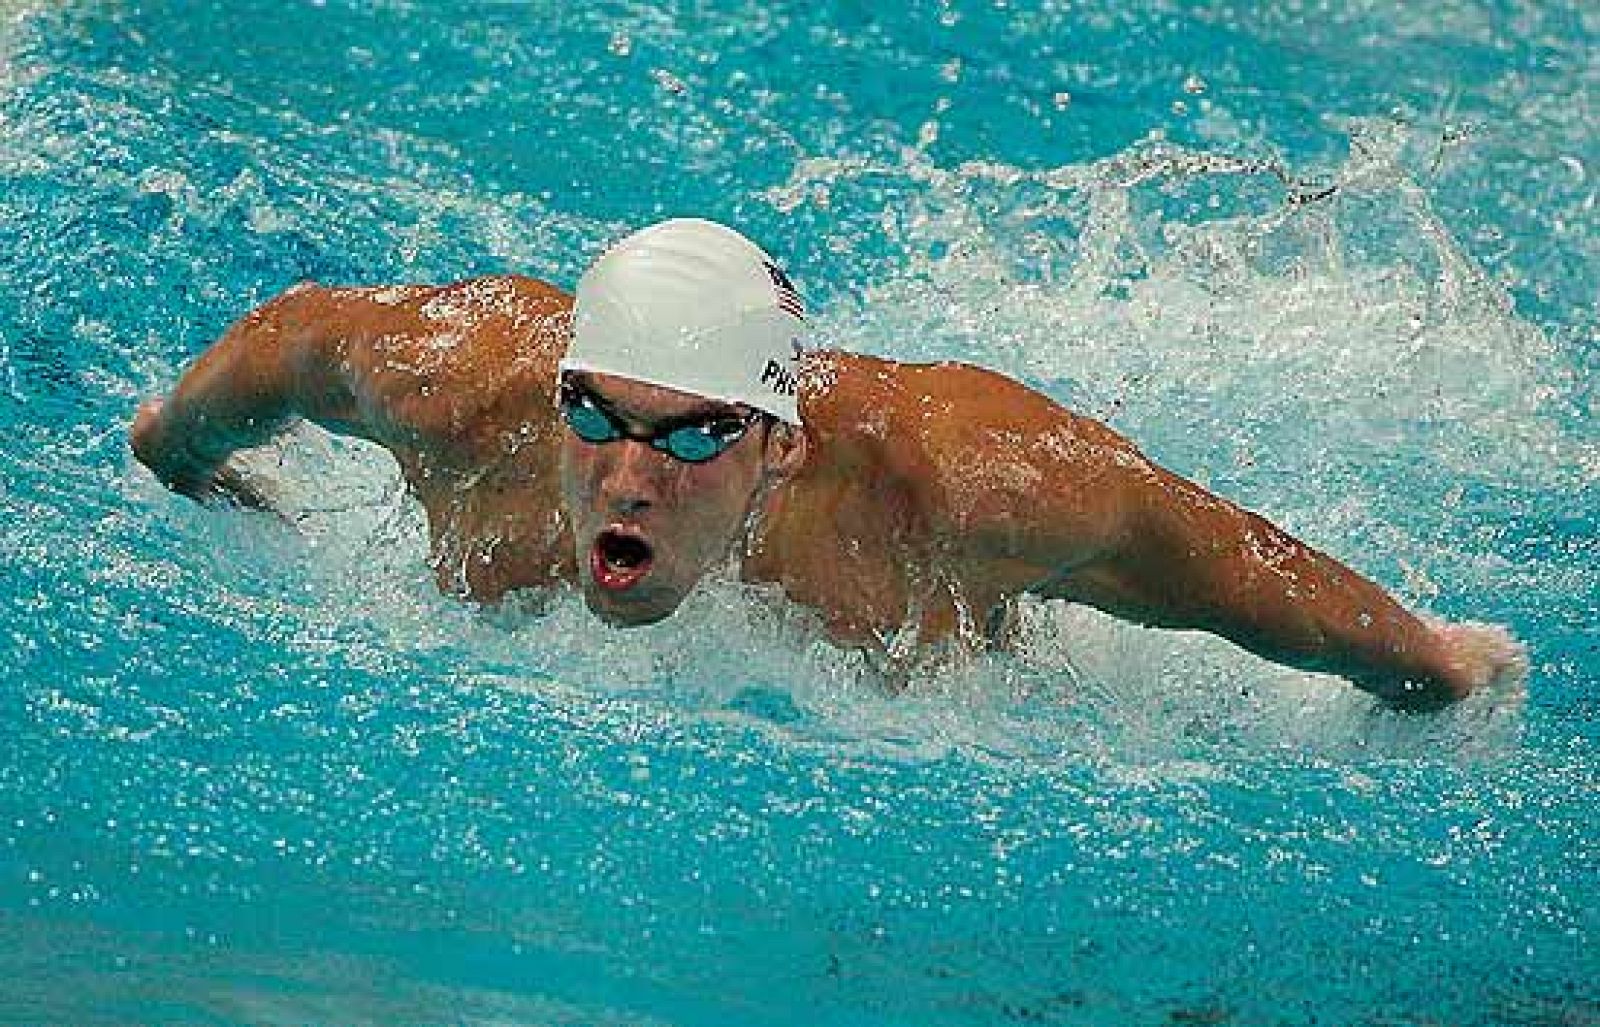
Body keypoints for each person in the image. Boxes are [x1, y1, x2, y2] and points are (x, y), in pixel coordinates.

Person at [130, 218, 1524, 708]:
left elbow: (1224, 568)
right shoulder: (452, 389)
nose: (628, 476)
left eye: (690, 436)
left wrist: (1426, 661)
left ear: (781, 446)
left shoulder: (966, 481)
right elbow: (284, 344)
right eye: (601, 419)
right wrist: (174, 458)